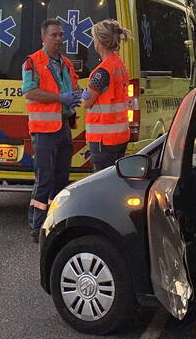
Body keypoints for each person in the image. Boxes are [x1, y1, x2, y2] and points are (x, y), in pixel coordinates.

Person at [23, 19, 80, 241]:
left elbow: (74, 87)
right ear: (43, 37)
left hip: (63, 126)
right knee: (44, 179)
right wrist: (59, 98)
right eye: (54, 35)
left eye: (61, 35)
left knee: (61, 177)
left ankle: (55, 221)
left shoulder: (65, 63)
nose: (58, 39)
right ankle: (37, 227)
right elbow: (29, 92)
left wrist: (78, 95)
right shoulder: (32, 62)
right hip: (44, 129)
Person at [82, 20, 132, 172]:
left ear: (99, 42)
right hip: (120, 135)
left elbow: (87, 102)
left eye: (94, 39)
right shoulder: (119, 65)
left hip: (103, 138)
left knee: (102, 181)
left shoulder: (102, 71)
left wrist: (82, 92)